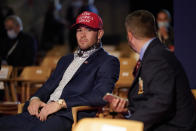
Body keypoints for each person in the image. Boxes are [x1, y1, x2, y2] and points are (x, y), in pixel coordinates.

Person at [0, 11, 120, 131]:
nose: (82, 35)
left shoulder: (108, 61)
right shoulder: (65, 59)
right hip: (41, 111)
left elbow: (101, 96)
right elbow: (47, 87)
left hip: (67, 115)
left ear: (99, 34)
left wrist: (61, 103)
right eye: (79, 30)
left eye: (88, 30)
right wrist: (35, 99)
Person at [109, 10, 196, 131]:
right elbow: (147, 95)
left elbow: (161, 102)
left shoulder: (157, 58)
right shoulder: (152, 54)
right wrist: (128, 110)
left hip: (173, 127)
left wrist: (129, 126)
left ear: (129, 35)